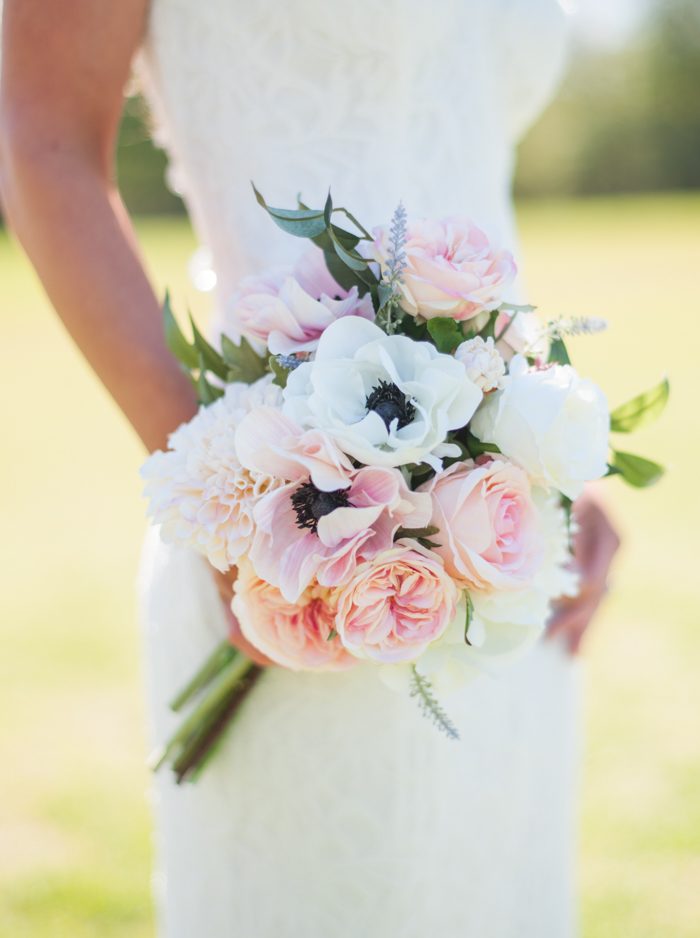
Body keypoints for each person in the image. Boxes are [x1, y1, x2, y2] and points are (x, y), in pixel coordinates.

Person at [0, 1, 620, 935]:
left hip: (503, 554)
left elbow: (452, 164)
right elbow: (40, 138)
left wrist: (548, 449)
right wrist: (235, 501)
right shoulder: (269, 529)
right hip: (300, 552)